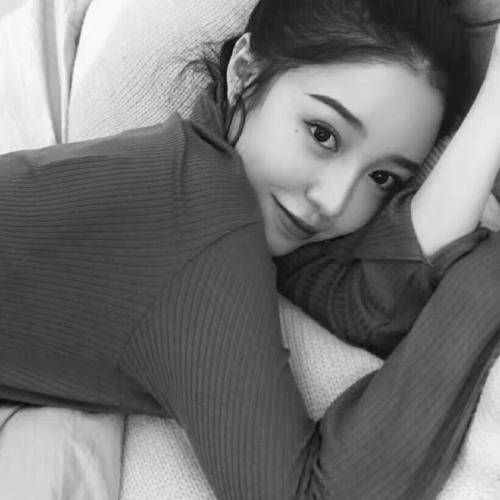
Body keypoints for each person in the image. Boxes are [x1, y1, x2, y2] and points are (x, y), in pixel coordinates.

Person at [1, 1, 500, 499]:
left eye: (382, 177)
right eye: (323, 135)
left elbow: (368, 304)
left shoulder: (199, 173)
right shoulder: (201, 223)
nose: (334, 201)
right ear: (245, 71)